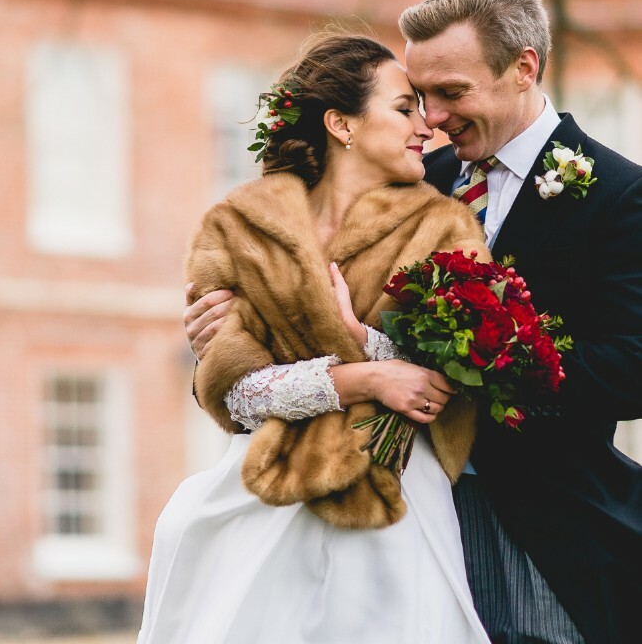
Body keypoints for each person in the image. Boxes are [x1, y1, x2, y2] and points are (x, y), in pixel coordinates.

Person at [187, 0, 642, 644]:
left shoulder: (618, 196)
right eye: (418, 94)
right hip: (388, 522)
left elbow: (629, 367)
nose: (430, 118)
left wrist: (470, 364)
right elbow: (297, 297)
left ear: (523, 68)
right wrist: (227, 326)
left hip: (542, 529)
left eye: (451, 91)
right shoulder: (401, 174)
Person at [139, 34, 492, 644]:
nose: (427, 126)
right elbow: (237, 391)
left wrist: (359, 339)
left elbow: (444, 383)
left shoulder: (446, 227)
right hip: (261, 491)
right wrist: (368, 376)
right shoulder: (240, 227)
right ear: (341, 124)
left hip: (392, 493)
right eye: (404, 108)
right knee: (191, 545)